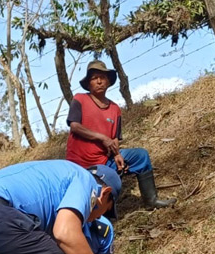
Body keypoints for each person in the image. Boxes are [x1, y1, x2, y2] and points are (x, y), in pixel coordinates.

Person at [66, 60, 176, 209]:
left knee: (141, 156)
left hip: (105, 161)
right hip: (81, 167)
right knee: (103, 187)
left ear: (108, 81)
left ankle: (151, 201)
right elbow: (75, 126)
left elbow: (115, 138)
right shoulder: (80, 99)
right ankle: (99, 214)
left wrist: (117, 154)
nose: (99, 81)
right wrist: (102, 138)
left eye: (102, 77)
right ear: (89, 83)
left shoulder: (115, 109)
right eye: (94, 78)